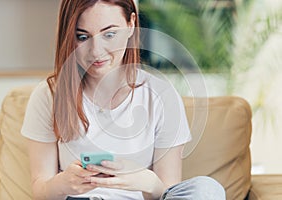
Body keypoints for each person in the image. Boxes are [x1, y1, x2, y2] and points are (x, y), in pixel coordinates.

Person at [21, 0, 226, 199]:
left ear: (131, 25)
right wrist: (63, 184)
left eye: (109, 34)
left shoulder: (162, 96)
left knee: (207, 189)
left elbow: (168, 193)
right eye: (82, 37)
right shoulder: (49, 95)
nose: (96, 51)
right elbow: (41, 189)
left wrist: (146, 181)